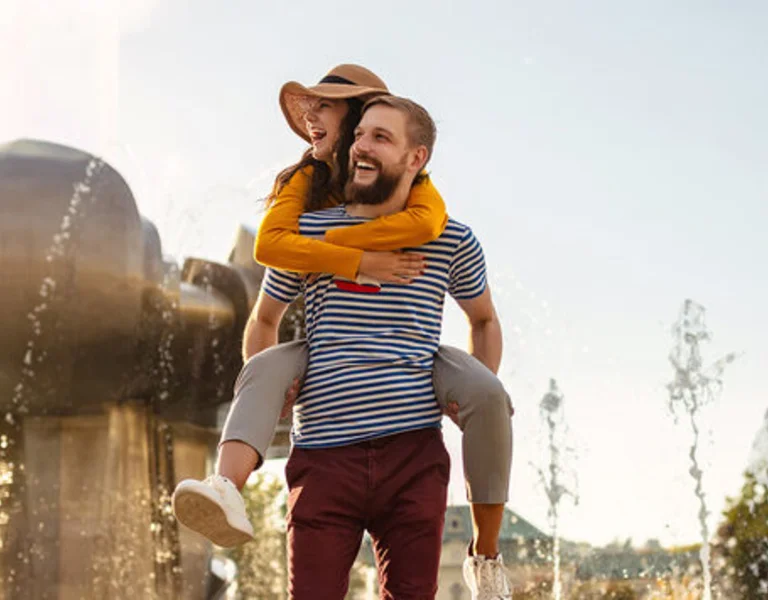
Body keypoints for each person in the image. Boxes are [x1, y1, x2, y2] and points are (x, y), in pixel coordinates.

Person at [172, 67, 513, 599]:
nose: (361, 145)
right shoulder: (306, 231)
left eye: (381, 137)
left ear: (415, 157)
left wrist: (467, 387)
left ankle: (486, 557)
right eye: (360, 135)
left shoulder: (449, 237)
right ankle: (225, 486)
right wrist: (272, 399)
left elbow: (485, 319)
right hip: (325, 456)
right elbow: (265, 317)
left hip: (412, 455)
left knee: (490, 397)